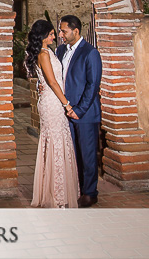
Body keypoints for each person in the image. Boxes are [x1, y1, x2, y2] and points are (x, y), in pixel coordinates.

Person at [23, 18, 79, 208]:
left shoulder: (49, 52)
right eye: (52, 34)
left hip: (53, 100)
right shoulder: (44, 54)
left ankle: (59, 190)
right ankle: (57, 194)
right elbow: (53, 82)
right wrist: (67, 105)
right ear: (44, 36)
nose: (56, 36)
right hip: (53, 103)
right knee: (55, 144)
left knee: (58, 143)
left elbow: (48, 80)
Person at [56, 14, 102, 208]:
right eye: (60, 30)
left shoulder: (90, 53)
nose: (60, 35)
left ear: (75, 31)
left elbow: (93, 85)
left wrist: (79, 110)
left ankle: (90, 193)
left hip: (85, 114)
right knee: (72, 154)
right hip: (65, 112)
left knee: (87, 155)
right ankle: (74, 188)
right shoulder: (59, 51)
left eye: (63, 31)